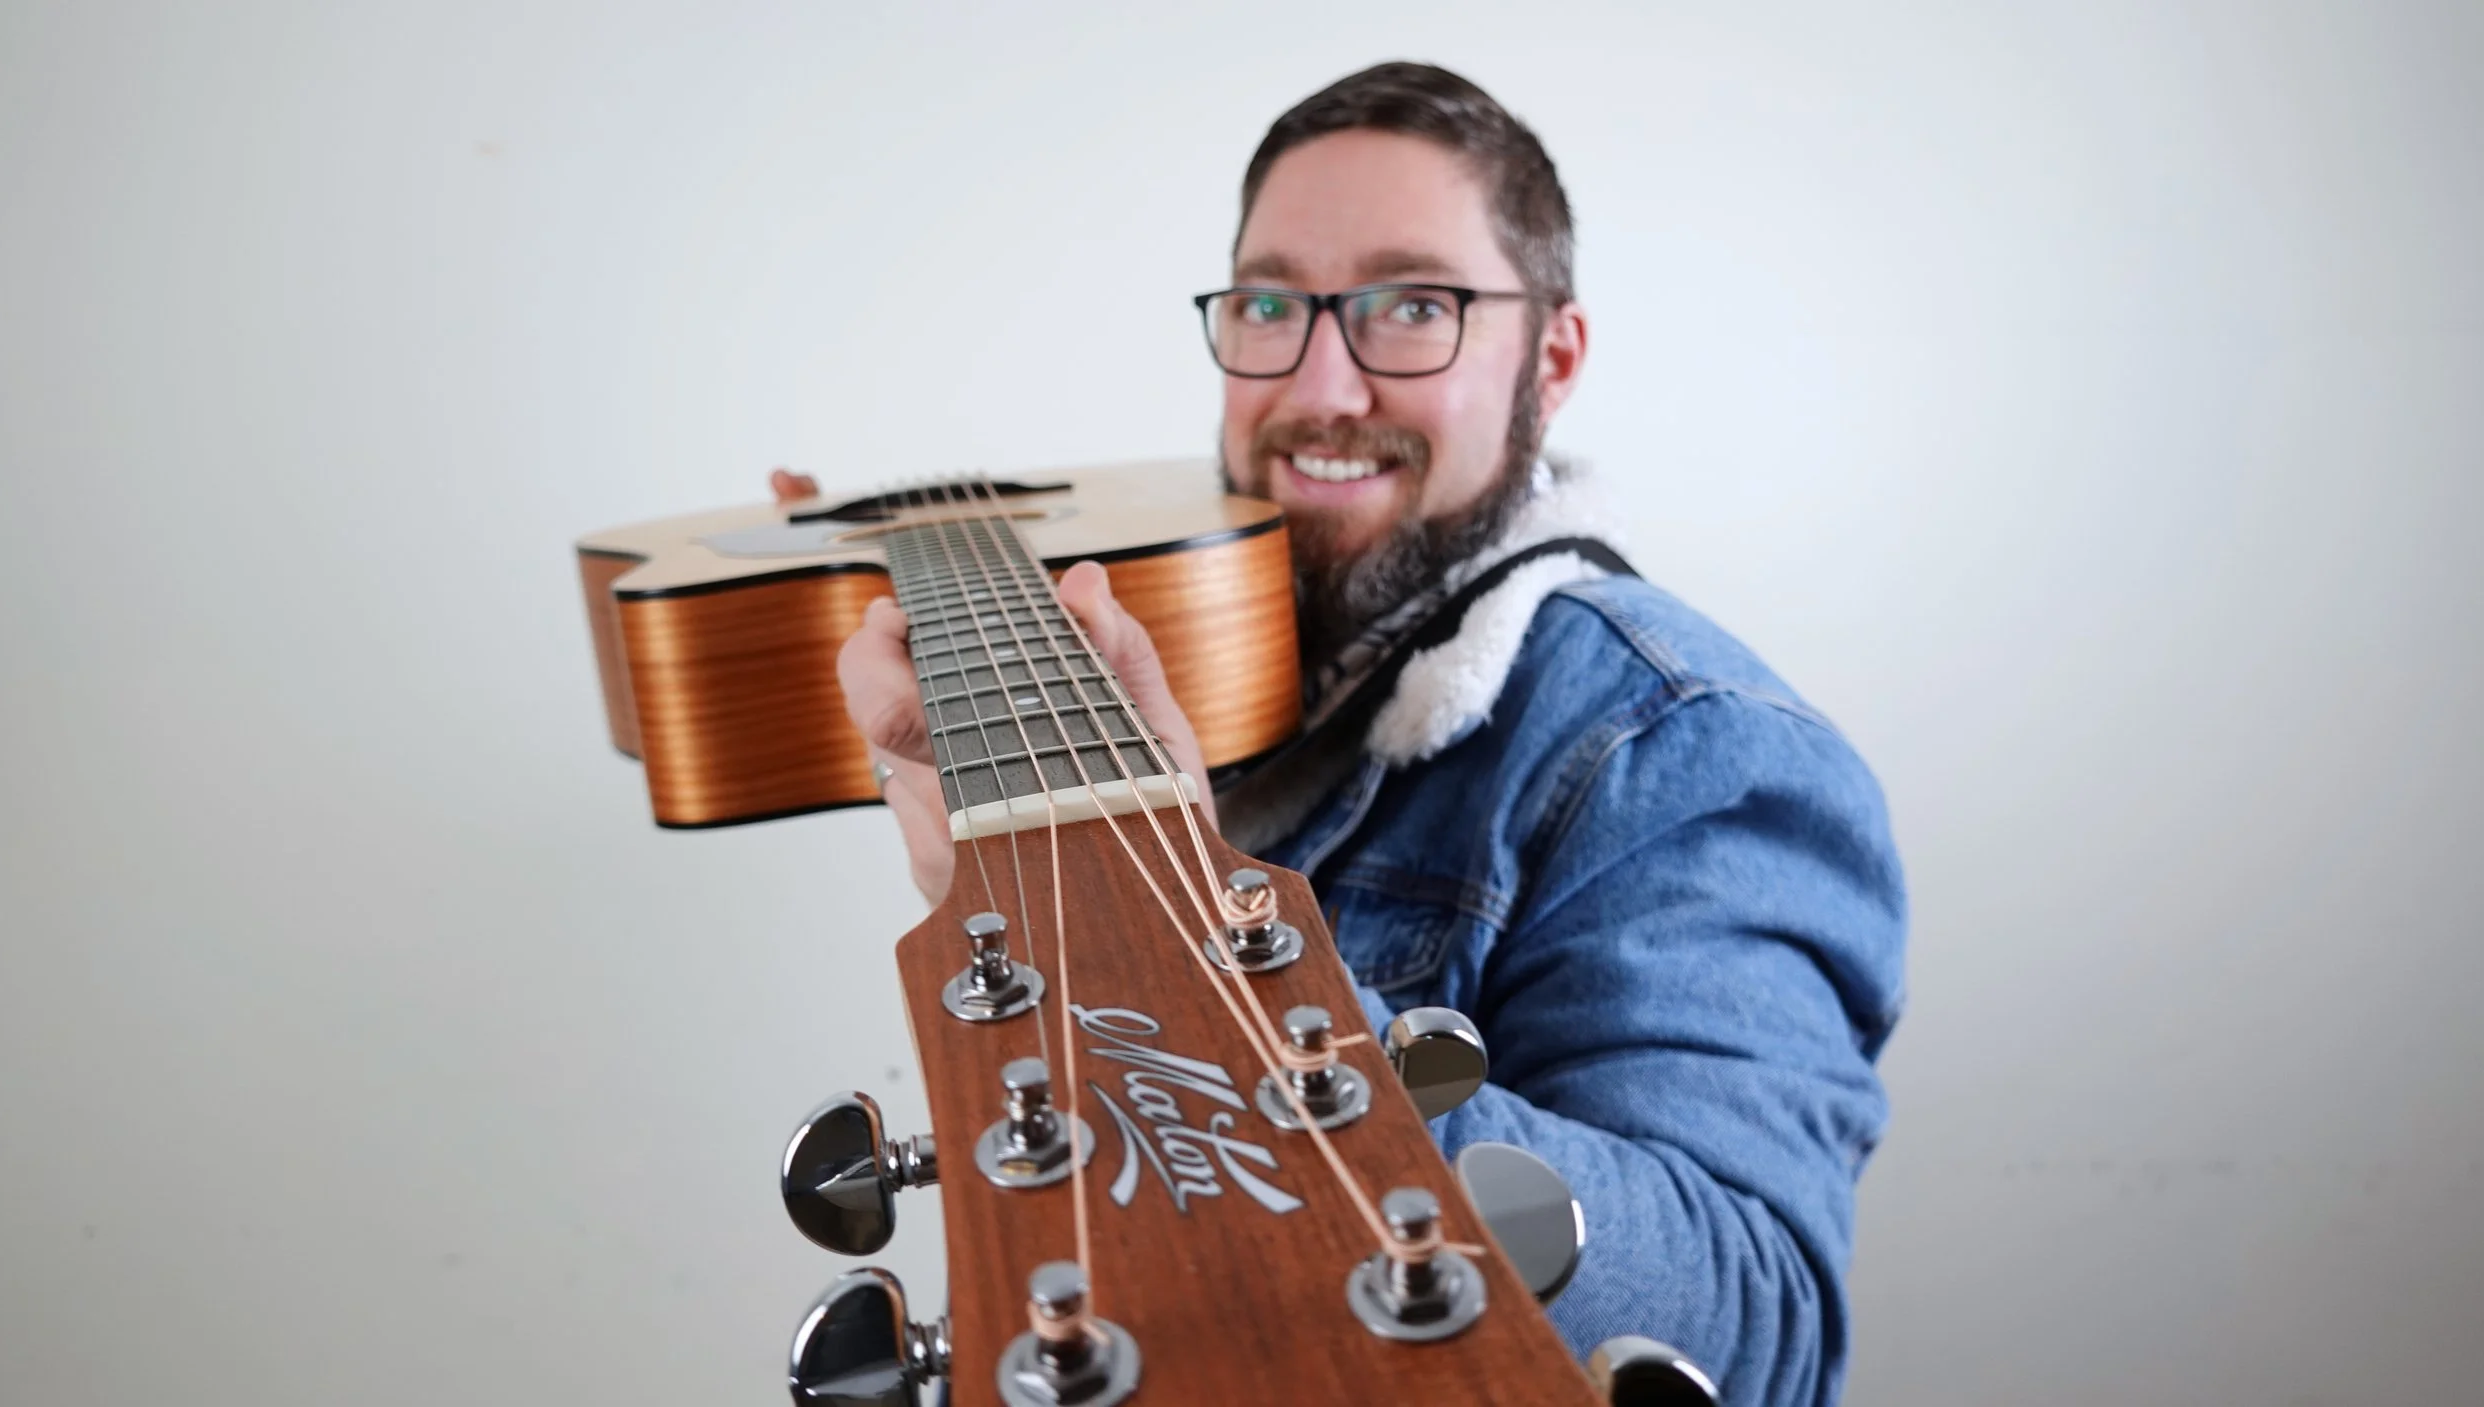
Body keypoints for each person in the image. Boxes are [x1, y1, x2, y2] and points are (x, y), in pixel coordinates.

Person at [778, 62, 1906, 1407]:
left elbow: (1753, 1331)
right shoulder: (1199, 637)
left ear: (1551, 356)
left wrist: (1190, 931)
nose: (1319, 383)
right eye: (1268, 303)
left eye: (1411, 307)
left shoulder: (1688, 746)